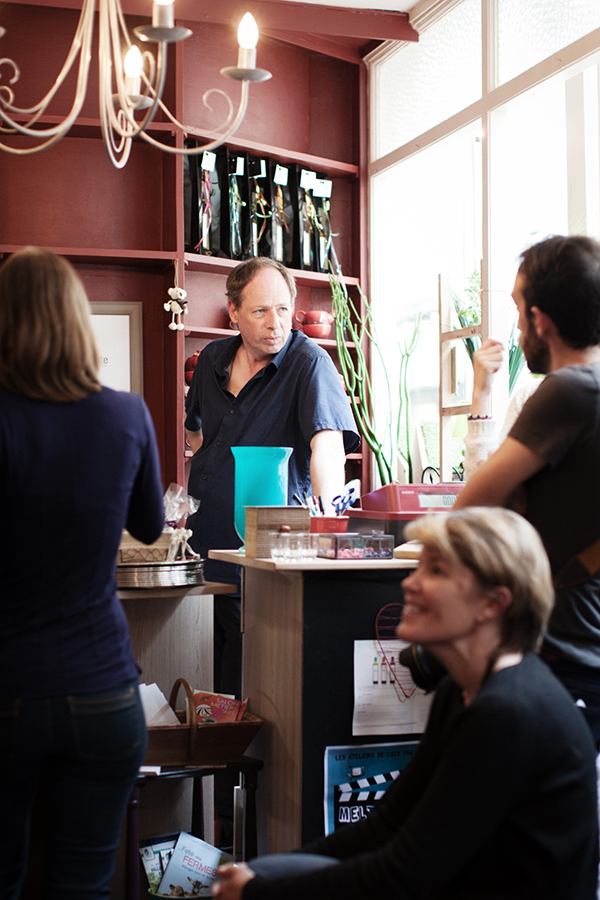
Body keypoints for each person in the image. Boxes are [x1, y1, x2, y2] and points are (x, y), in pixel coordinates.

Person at [211, 507, 599, 900]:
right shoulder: (460, 691)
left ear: (493, 604)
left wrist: (261, 892)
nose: (410, 584)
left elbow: (403, 873)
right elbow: (386, 825)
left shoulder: (507, 713)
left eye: (437, 572)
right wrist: (263, 876)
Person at [0, 248, 165, 899]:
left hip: (6, 690)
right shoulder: (125, 415)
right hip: (102, 692)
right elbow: (151, 526)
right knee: (85, 886)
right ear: (77, 321)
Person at [185, 257, 360, 697]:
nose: (274, 323)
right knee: (202, 686)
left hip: (263, 560)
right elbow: (194, 430)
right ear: (234, 312)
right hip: (202, 551)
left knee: (247, 688)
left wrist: (327, 533)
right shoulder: (212, 358)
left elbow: (328, 449)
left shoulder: (310, 364)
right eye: (261, 310)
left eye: (283, 309)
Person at [455, 234, 600, 743]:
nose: (517, 330)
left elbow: (468, 513)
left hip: (561, 652)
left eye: (518, 312)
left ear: (541, 320)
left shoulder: (569, 389)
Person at [463, 338, 539, 481]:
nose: (518, 325)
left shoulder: (533, 396)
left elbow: (483, 487)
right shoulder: (527, 394)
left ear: (540, 320)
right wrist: (480, 394)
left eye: (521, 314)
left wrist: (480, 394)